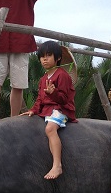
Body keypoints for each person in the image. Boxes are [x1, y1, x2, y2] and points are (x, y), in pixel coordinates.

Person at [20, 41, 76, 179]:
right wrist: (33, 110)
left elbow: (65, 99)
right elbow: (40, 98)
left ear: (57, 58)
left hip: (61, 109)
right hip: (47, 110)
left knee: (50, 129)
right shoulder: (43, 78)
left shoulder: (62, 75)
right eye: (42, 56)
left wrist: (54, 93)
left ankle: (57, 165)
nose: (44, 59)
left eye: (49, 55)